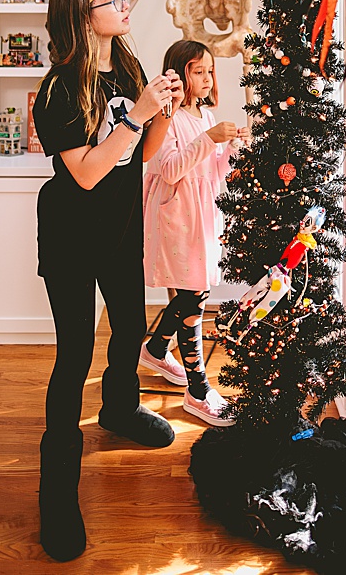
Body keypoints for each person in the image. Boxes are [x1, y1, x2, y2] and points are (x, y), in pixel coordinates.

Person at [29, 0, 182, 562]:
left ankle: (118, 409)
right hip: (71, 233)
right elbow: (88, 173)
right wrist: (138, 115)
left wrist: (166, 108)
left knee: (129, 328)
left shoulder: (128, 68)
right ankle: (57, 492)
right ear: (81, 16)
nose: (124, 5)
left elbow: (142, 156)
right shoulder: (58, 89)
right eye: (111, 0)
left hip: (122, 227)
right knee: (74, 354)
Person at [141, 40, 249, 427]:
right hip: (176, 213)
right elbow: (169, 169)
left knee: (193, 288)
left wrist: (231, 148)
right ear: (180, 73)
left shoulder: (206, 114)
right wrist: (210, 140)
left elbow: (213, 172)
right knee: (193, 295)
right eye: (198, 71)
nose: (207, 78)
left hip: (202, 212)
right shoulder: (166, 116)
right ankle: (197, 388)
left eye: (210, 71)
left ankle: (155, 349)